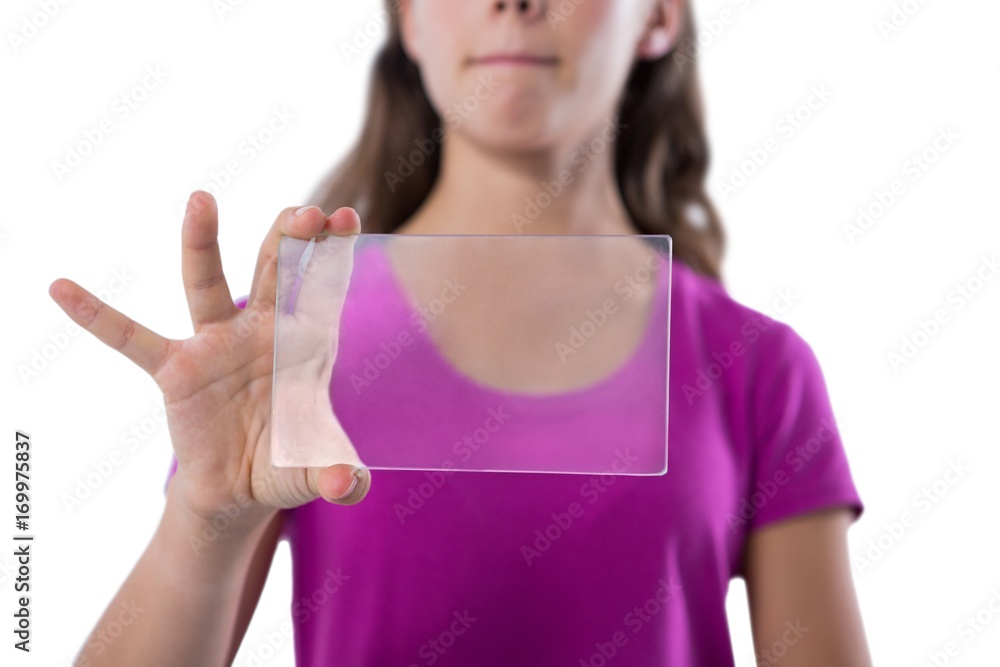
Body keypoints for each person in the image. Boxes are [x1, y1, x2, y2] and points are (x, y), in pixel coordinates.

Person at [48, 0, 872, 664]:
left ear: (659, 15)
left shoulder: (759, 369)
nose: (514, 3)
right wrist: (206, 516)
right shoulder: (292, 349)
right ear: (408, 17)